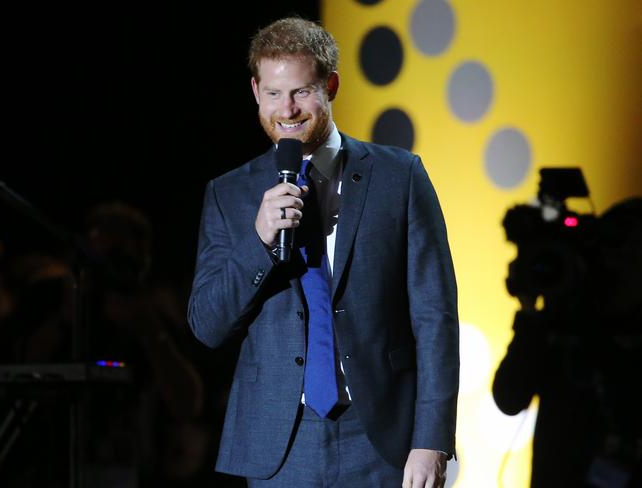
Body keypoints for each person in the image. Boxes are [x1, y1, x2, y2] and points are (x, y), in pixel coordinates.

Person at [187, 17, 459, 488]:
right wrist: (260, 241)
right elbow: (208, 326)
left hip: (380, 438)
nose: (287, 109)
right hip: (280, 443)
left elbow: (435, 316)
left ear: (330, 85)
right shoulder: (228, 194)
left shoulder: (399, 176)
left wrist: (431, 439)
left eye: (301, 91)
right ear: (255, 90)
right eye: (273, 93)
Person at [493, 197, 642, 488]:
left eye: (633, 255)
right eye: (613, 253)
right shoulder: (566, 320)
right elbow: (509, 397)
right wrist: (531, 315)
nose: (619, 265)